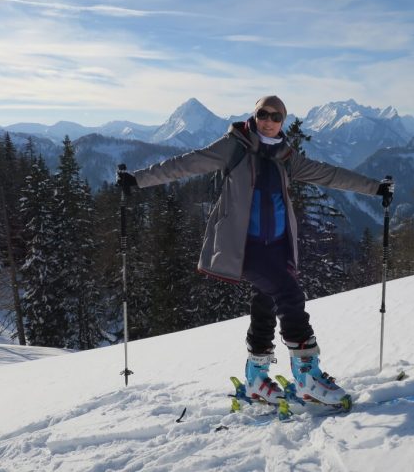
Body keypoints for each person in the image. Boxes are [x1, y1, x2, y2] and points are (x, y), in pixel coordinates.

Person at [117, 95, 394, 406]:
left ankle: (256, 378)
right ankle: (307, 375)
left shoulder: (286, 156)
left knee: (265, 301)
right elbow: (186, 164)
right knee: (289, 295)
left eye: (276, 117)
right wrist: (137, 180)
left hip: (276, 245)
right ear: (255, 114)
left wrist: (375, 188)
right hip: (242, 246)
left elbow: (329, 174)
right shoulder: (233, 146)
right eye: (264, 113)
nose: (269, 121)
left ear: (282, 122)